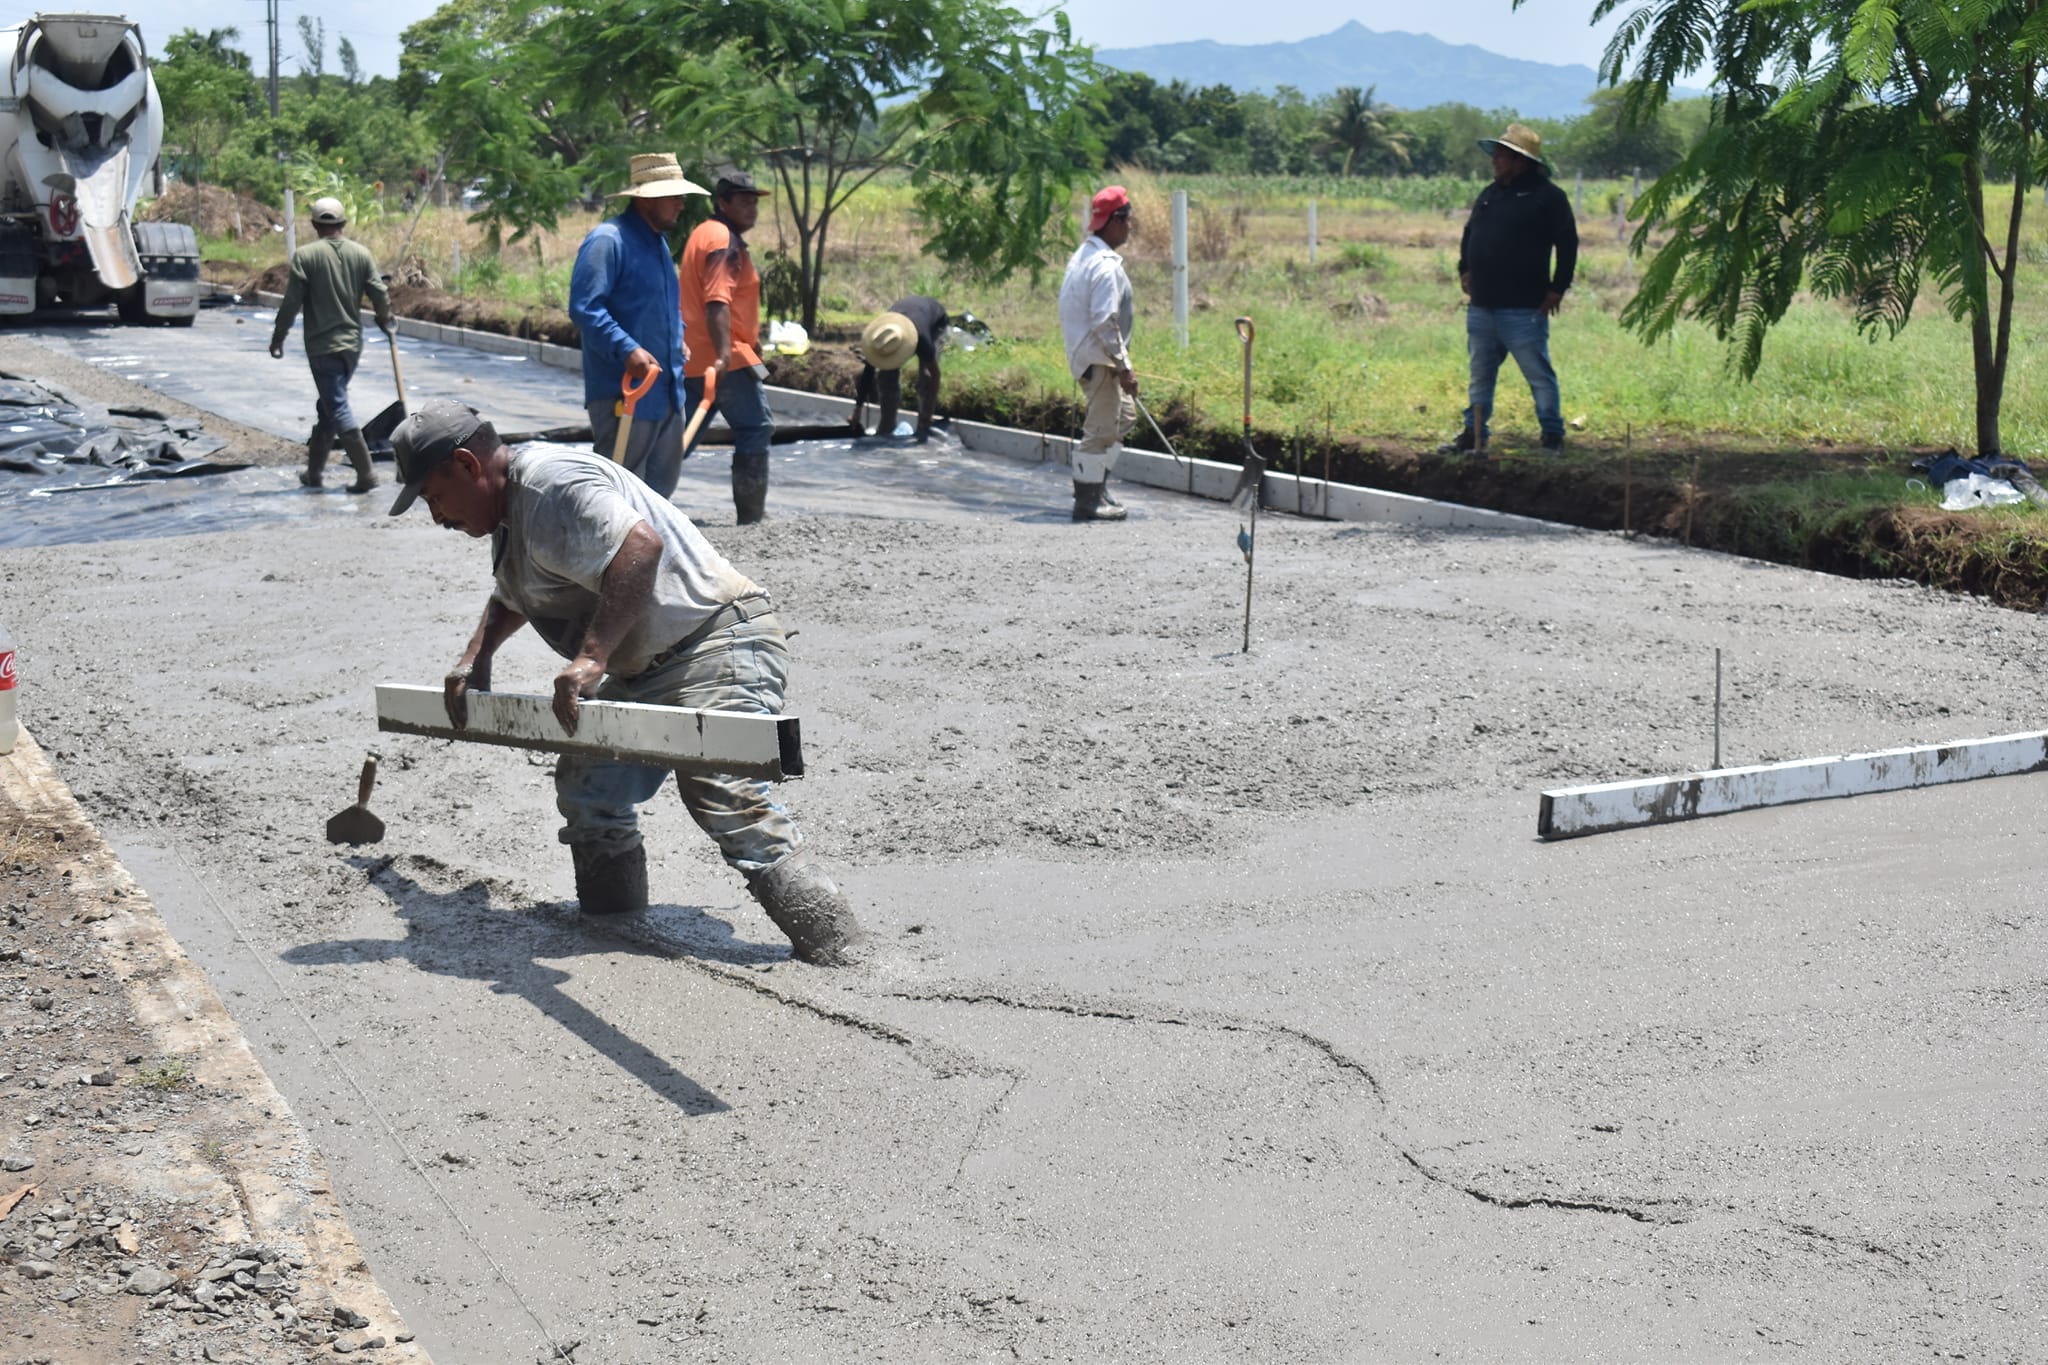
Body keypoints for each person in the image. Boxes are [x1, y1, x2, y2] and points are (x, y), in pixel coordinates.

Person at [386, 398, 864, 966]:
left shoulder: (551, 483)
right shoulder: (511, 513)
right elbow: (516, 591)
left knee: (721, 785)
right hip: (647, 668)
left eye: (434, 498)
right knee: (589, 785)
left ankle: (842, 948)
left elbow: (640, 547)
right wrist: (476, 654)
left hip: (716, 641)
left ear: (467, 466)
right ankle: (612, 929)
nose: (437, 517)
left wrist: (590, 659)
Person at [568, 153, 707, 499]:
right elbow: (585, 308)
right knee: (621, 494)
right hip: (625, 393)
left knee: (658, 497)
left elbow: (662, 307)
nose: (680, 204)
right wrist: (627, 348)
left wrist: (677, 338)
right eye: (673, 196)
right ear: (648, 198)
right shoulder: (608, 240)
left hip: (666, 392)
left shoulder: (658, 245)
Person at [1442, 122, 1578, 455]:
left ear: (1521, 160)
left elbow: (1568, 244)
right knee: (1480, 375)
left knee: (1538, 373)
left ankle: (1551, 435)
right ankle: (1473, 434)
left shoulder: (1549, 197)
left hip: (1524, 307)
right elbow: (1469, 234)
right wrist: (1465, 268)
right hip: (1482, 305)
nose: (1495, 161)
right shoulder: (1489, 195)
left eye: (1502, 155)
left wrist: (1558, 288)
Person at [268, 196, 392, 492]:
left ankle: (366, 474)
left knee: (336, 406)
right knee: (328, 407)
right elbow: (379, 292)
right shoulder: (361, 254)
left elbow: (291, 303)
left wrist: (278, 336)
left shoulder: (306, 256)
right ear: (343, 224)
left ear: (313, 225)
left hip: (322, 347)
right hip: (351, 345)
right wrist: (384, 318)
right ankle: (314, 473)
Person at [679, 171, 776, 524]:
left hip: (697, 353)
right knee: (756, 427)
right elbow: (717, 301)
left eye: (754, 201)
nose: (752, 208)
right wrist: (723, 354)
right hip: (724, 357)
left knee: (681, 439)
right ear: (723, 203)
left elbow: (728, 302)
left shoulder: (706, 233)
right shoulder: (724, 242)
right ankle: (752, 518)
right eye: (744, 201)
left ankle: (641, 496)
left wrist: (751, 337)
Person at [1057, 186, 1138, 522]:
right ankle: (1087, 502)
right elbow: (1105, 321)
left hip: (1092, 355)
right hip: (1101, 358)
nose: (1131, 226)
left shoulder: (1084, 256)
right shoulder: (1103, 266)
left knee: (1125, 417)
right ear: (1116, 221)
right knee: (1101, 430)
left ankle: (1097, 484)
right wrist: (1124, 366)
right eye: (1128, 219)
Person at [854, 296, 947, 442]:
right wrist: (857, 411)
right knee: (886, 377)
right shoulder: (879, 339)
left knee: (926, 378)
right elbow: (868, 373)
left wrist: (927, 414)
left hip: (934, 321)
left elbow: (935, 375)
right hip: (899, 319)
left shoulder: (923, 339)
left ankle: (923, 427)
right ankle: (887, 426)